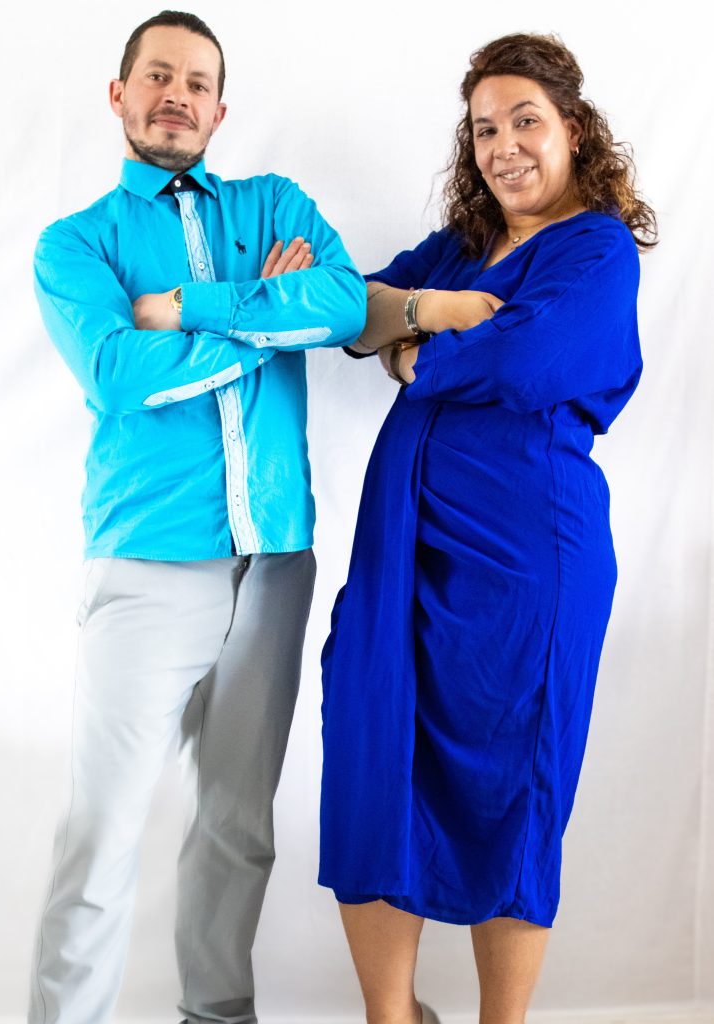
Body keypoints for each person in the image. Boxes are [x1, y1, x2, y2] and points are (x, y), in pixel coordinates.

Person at [28, 11, 365, 1024]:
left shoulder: (276, 203)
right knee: (101, 831)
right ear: (121, 94)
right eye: (157, 75)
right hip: (145, 568)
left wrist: (196, 306)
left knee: (237, 823)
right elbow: (118, 374)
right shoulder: (77, 242)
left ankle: (216, 1014)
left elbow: (345, 307)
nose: (176, 94)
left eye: (197, 81)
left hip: (275, 563)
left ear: (221, 109)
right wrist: (265, 312)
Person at [320, 33, 657, 1024]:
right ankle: (394, 1015)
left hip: (524, 561)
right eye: (483, 129)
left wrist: (417, 348)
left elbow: (525, 358)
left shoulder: (594, 246)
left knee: (511, 780)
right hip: (402, 548)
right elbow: (355, 308)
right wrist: (418, 309)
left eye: (526, 121)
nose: (503, 145)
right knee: (372, 758)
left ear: (572, 130)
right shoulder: (464, 248)